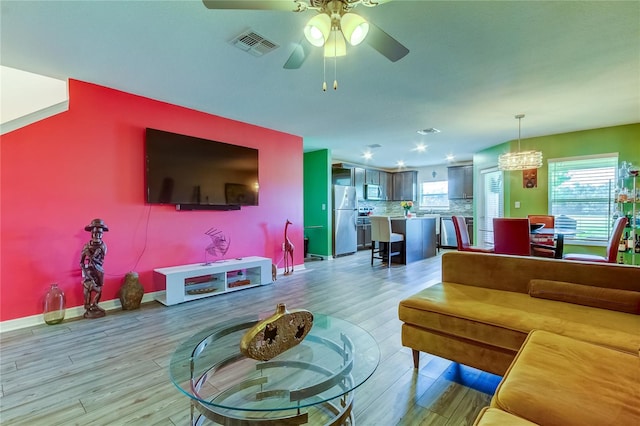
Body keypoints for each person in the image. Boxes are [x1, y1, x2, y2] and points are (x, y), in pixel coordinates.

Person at [80, 218, 109, 318]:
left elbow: (101, 258)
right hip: (89, 272)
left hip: (99, 271)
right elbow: (81, 262)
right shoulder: (86, 247)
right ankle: (87, 306)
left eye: (100, 232)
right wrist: (86, 272)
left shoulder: (103, 246)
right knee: (87, 289)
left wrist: (93, 257)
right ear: (92, 233)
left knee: (99, 289)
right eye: (95, 232)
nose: (97, 235)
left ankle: (95, 304)